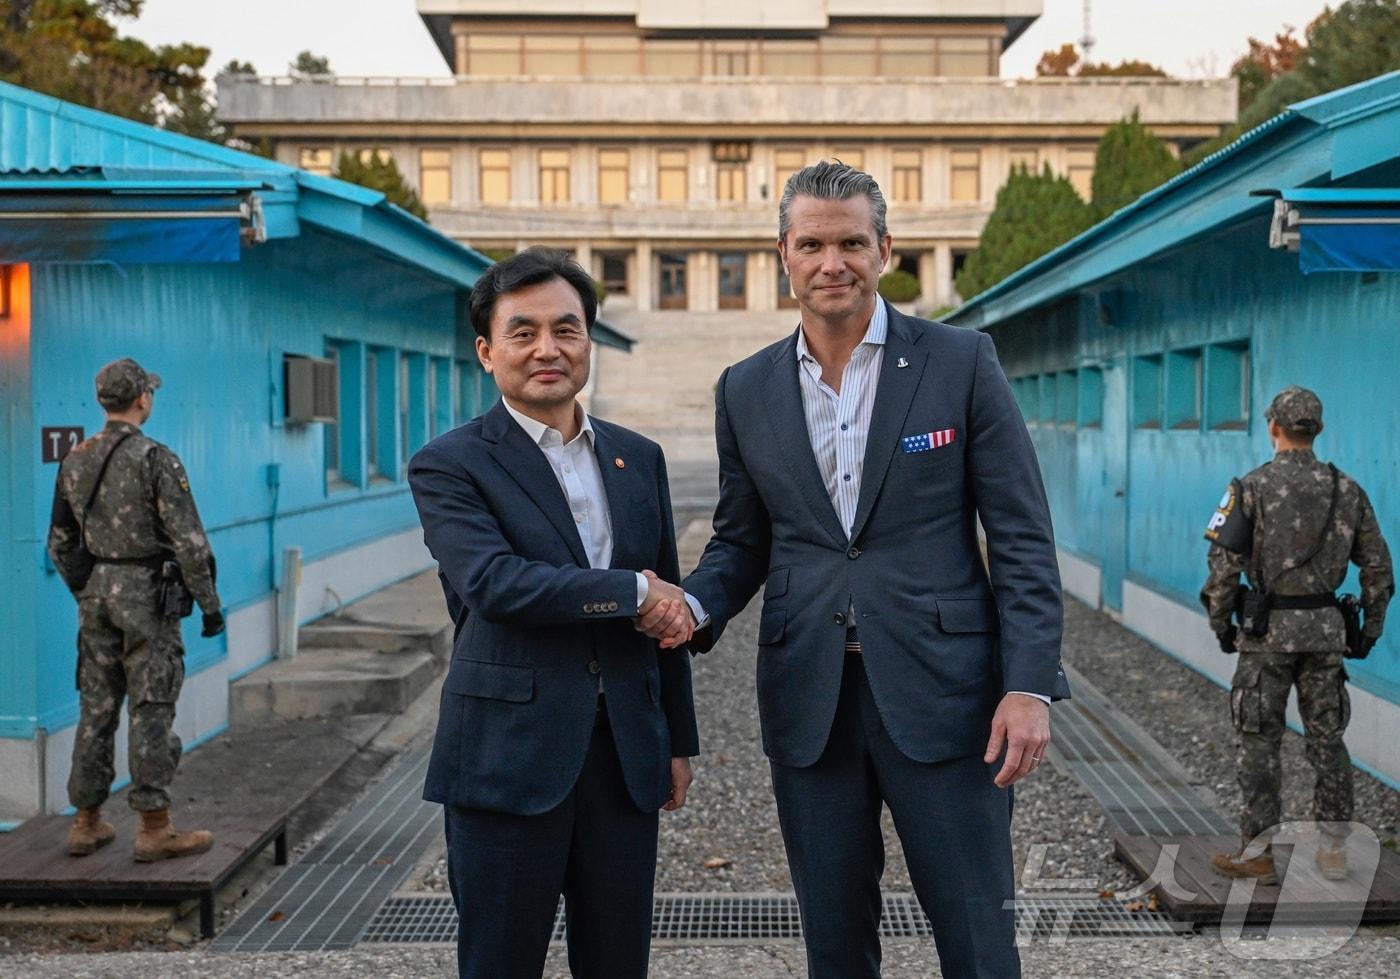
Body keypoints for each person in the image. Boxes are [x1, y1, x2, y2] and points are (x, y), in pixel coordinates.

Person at [639, 161, 1069, 978]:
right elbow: (741, 540)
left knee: (977, 935)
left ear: (885, 250)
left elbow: (1020, 537)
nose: (831, 262)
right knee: (834, 940)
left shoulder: (960, 361)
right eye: (812, 244)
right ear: (784, 254)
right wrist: (691, 606)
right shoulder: (745, 389)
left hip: (948, 697)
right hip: (811, 700)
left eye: (850, 243)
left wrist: (1030, 684)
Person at [407, 249, 700, 979]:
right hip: (507, 755)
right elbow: (497, 584)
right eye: (524, 331)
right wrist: (631, 591)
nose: (548, 349)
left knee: (617, 960)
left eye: (566, 329)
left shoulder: (640, 457)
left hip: (624, 753)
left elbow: (670, 611)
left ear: (589, 342)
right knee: (501, 961)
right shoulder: (451, 463)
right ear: (486, 350)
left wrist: (676, 737)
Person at [1201, 385, 1392, 883]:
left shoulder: (1248, 488)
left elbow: (1223, 569)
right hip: (1326, 635)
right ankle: (1333, 851)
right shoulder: (1347, 490)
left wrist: (1222, 624)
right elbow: (1379, 567)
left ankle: (1259, 853)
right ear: (1319, 430)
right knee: (1328, 739)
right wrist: (1369, 630)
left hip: (1266, 638)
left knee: (1259, 742)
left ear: (1273, 428)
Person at [47, 358, 224, 862]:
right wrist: (209, 606)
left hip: (96, 594)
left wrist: (88, 588)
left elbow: (59, 541)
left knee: (96, 707)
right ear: (142, 398)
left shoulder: (74, 458)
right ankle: (153, 827)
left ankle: (86, 821)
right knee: (150, 706)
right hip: (147, 594)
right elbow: (190, 543)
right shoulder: (156, 459)